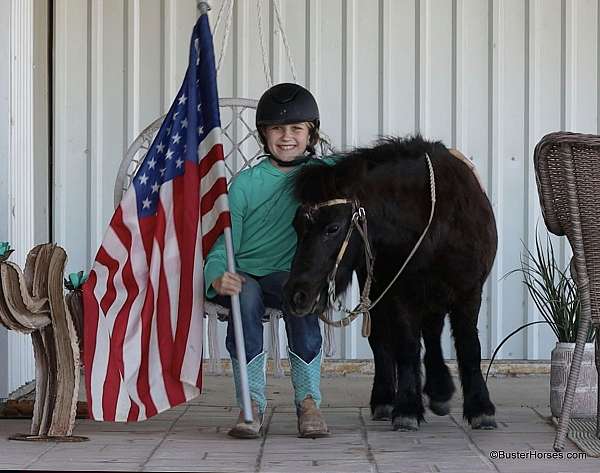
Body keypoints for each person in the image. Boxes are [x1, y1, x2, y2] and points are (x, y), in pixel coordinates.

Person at [204, 83, 331, 439]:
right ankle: (252, 404)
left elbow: (376, 166)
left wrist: (442, 157)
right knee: (243, 295)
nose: (286, 137)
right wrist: (218, 275)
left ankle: (308, 402)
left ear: (311, 133)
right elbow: (221, 245)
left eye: (296, 129)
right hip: (245, 274)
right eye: (277, 128)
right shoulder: (245, 185)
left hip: (288, 277)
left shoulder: (326, 175)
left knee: (300, 294)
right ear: (264, 134)